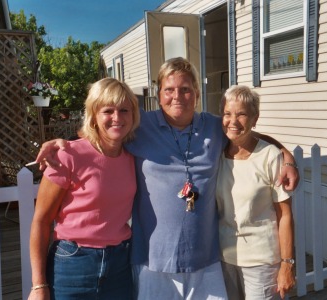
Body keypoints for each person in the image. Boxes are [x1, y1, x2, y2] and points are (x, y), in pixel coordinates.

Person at [35, 57, 299, 299]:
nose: (177, 96)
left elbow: (245, 132)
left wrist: (286, 155)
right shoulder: (140, 125)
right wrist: (64, 143)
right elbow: (103, 134)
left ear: (196, 93)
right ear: (159, 95)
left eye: (185, 89)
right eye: (169, 90)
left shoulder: (212, 125)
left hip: (206, 259)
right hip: (152, 261)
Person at [28, 78, 140, 300]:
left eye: (124, 110)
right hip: (73, 264)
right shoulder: (68, 155)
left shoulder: (134, 156)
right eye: (108, 110)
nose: (117, 118)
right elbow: (41, 220)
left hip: (120, 265)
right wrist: (38, 285)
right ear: (94, 115)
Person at [216, 85, 295, 300]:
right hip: (224, 258)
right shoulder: (215, 153)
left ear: (254, 118)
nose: (233, 121)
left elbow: (285, 215)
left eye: (241, 114)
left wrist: (287, 265)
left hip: (261, 262)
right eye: (227, 114)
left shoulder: (269, 156)